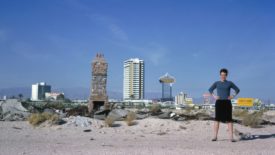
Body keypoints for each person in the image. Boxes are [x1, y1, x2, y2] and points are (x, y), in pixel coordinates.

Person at [209, 68, 240, 142]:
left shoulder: (229, 83)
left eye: (224, 75)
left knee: (229, 120)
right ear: (220, 75)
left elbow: (237, 90)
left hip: (227, 102)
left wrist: (232, 96)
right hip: (219, 102)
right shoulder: (216, 83)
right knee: (217, 120)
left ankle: (231, 138)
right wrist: (214, 96)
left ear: (226, 75)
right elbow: (210, 90)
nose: (223, 76)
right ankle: (215, 137)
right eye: (222, 75)